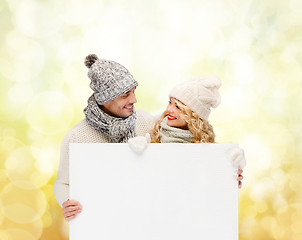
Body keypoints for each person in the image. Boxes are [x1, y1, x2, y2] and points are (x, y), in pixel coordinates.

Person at [54, 54, 155, 221]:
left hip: (143, 219)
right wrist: (66, 203)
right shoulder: (76, 137)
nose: (134, 100)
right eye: (125, 95)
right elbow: (62, 183)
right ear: (105, 99)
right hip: (102, 223)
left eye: (133, 92)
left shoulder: (147, 123)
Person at [148, 75, 245, 186]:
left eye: (178, 107)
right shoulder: (151, 129)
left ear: (193, 116)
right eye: (170, 102)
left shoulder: (207, 148)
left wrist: (230, 175)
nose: (169, 109)